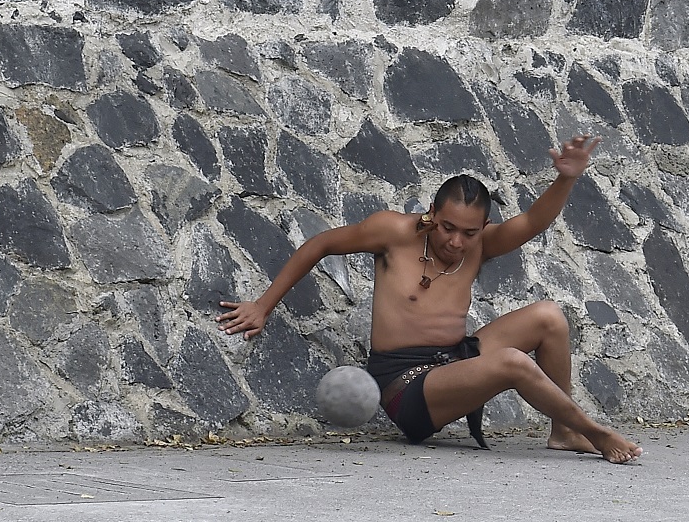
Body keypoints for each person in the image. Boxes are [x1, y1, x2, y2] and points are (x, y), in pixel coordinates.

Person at [216, 135, 642, 463]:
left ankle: (564, 432)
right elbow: (320, 245)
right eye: (447, 228)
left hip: (453, 360)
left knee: (549, 316)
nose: (456, 242)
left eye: (470, 233)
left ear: (483, 227)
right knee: (512, 361)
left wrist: (565, 178)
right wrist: (262, 305)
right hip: (406, 387)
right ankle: (595, 431)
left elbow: (532, 220)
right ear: (432, 214)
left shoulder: (479, 245)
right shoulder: (393, 233)